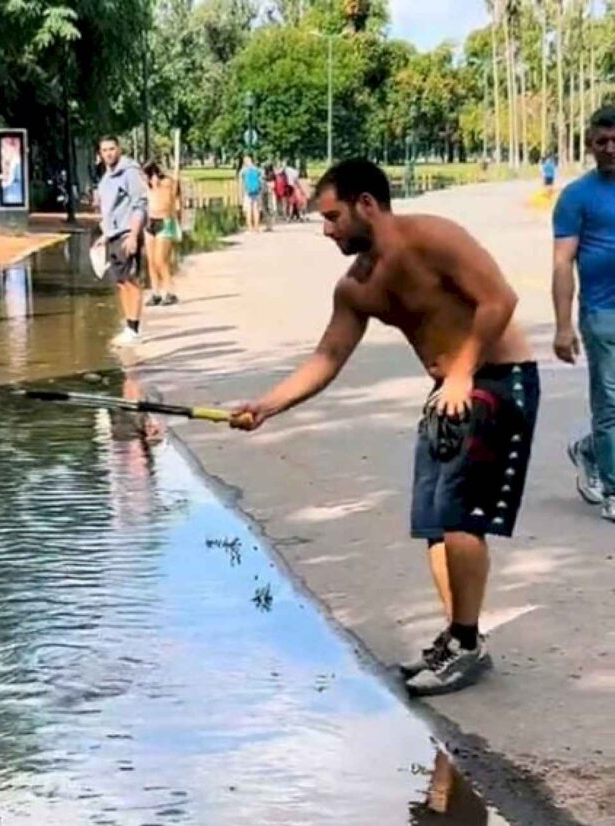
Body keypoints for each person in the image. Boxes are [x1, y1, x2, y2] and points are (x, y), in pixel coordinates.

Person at [231, 159, 539, 697]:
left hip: (497, 377)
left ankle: (465, 643)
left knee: (461, 516)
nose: (327, 231)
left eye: (332, 217)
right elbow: (327, 356)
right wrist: (266, 406)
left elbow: (499, 300)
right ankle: (460, 637)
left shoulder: (435, 238)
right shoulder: (356, 287)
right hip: (448, 391)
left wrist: (464, 372)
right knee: (433, 523)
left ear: (367, 204)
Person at [553, 106, 615, 522]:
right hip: (601, 312)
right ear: (589, 145)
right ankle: (613, 489)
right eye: (601, 141)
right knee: (611, 401)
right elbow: (562, 262)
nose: (610, 148)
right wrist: (562, 326)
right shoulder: (576, 196)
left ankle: (590, 449)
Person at [96, 135, 148, 345]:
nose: (109, 153)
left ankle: (134, 328)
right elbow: (109, 211)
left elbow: (139, 204)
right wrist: (104, 235)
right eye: (104, 150)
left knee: (131, 280)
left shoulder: (129, 173)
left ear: (119, 149)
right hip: (114, 235)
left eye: (112, 149)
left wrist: (134, 234)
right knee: (121, 281)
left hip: (127, 233)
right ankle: (128, 325)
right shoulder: (107, 178)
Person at [142, 161, 181, 307]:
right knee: (151, 261)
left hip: (164, 221)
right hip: (150, 221)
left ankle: (169, 291)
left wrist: (160, 183)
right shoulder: (146, 186)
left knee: (161, 260)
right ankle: (155, 292)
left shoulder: (167, 183)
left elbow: (173, 199)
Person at [239, 155, 263, 232]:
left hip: (247, 193)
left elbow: (241, 183)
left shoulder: (243, 170)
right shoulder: (256, 169)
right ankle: (257, 227)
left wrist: (241, 194)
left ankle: (250, 228)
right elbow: (261, 179)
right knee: (256, 210)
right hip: (256, 192)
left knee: (248, 210)